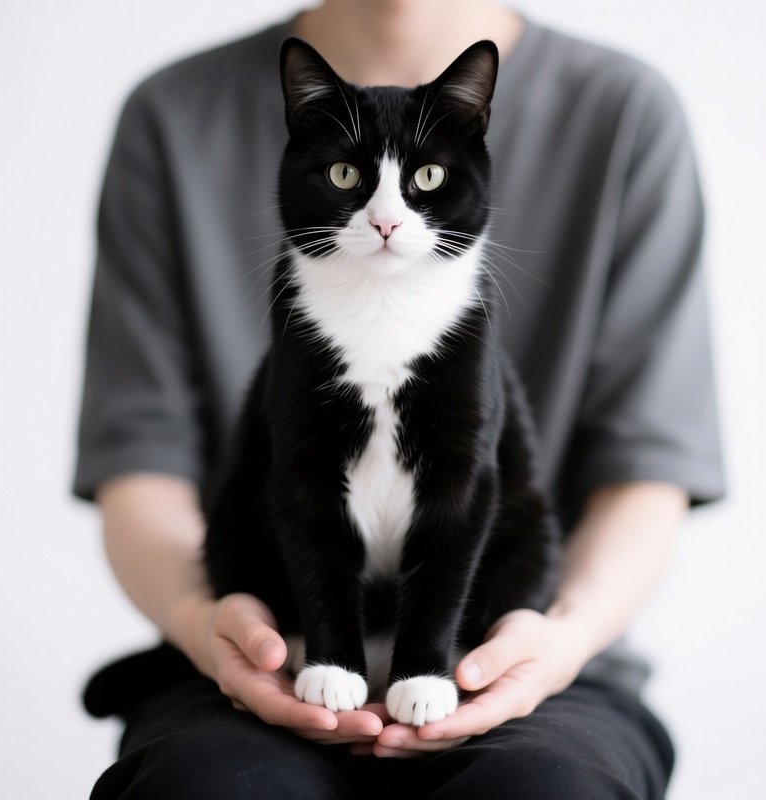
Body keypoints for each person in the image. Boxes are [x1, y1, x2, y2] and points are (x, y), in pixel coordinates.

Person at [74, 1, 725, 797]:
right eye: (348, 177)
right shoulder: (170, 115)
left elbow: (648, 469)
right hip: (268, 636)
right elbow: (138, 460)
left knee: (546, 787)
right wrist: (206, 627)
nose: (385, 220)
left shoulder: (625, 111)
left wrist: (561, 640)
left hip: (527, 648)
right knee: (216, 784)